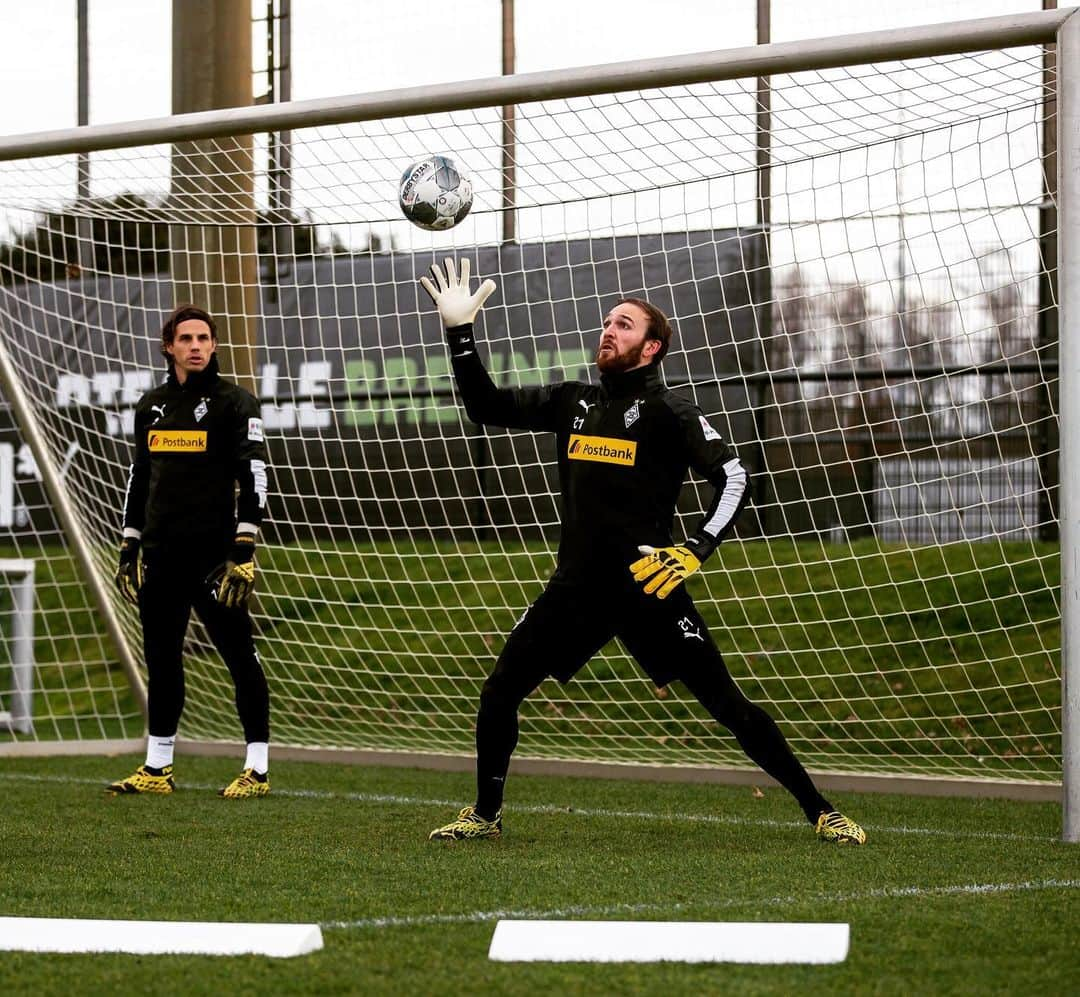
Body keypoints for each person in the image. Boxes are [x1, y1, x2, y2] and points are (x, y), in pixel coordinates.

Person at [419, 258, 865, 845]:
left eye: (624, 325)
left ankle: (821, 809)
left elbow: (734, 477)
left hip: (647, 586)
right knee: (501, 689)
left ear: (652, 347)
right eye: (607, 322)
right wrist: (459, 333)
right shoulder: (572, 401)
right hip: (576, 588)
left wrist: (695, 549)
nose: (609, 330)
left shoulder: (670, 413)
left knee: (729, 706)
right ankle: (484, 814)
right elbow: (485, 406)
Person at [107, 304, 271, 799]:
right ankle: (158, 769)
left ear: (214, 345)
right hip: (160, 555)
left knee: (240, 656)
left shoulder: (235, 404)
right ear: (169, 347)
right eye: (186, 339)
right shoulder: (151, 406)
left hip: (216, 559)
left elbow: (255, 476)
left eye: (203, 338)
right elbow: (141, 478)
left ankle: (257, 769)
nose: (196, 346)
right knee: (161, 660)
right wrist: (129, 542)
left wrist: (244, 548)